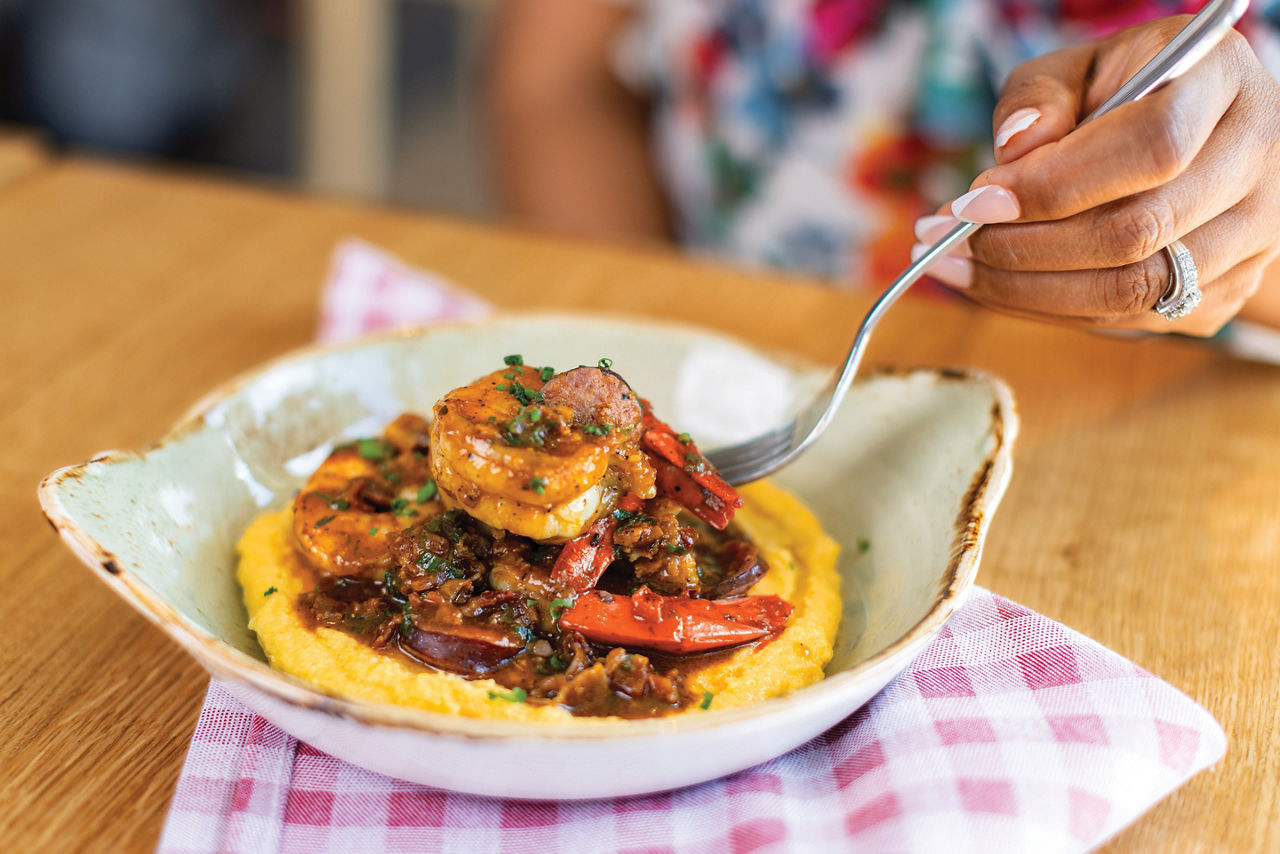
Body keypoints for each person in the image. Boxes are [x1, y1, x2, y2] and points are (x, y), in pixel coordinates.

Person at [490, 0, 1280, 337]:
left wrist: (1248, 230)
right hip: (729, 349)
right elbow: (561, 86)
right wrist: (646, 365)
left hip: (1161, 453)